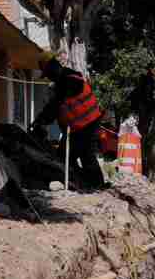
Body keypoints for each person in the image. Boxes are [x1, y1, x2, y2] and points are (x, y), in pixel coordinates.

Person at [31, 53, 105, 189]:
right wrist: (41, 120)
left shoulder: (70, 80)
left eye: (47, 73)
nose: (48, 77)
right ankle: (85, 181)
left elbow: (55, 106)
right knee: (65, 155)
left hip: (87, 125)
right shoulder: (62, 81)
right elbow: (57, 106)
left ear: (53, 67)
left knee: (85, 155)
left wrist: (41, 121)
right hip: (78, 127)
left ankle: (96, 185)